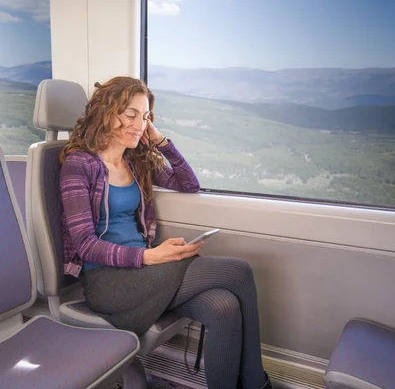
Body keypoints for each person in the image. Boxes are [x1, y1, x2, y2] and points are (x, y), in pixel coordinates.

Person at [59, 76, 272, 389]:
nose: (138, 124)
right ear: (106, 112)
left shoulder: (136, 160)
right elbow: (87, 246)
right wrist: (149, 255)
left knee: (223, 307)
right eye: (130, 114)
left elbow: (188, 183)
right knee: (238, 272)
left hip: (145, 273)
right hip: (108, 281)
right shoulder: (79, 165)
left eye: (145, 117)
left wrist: (159, 141)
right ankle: (257, 384)